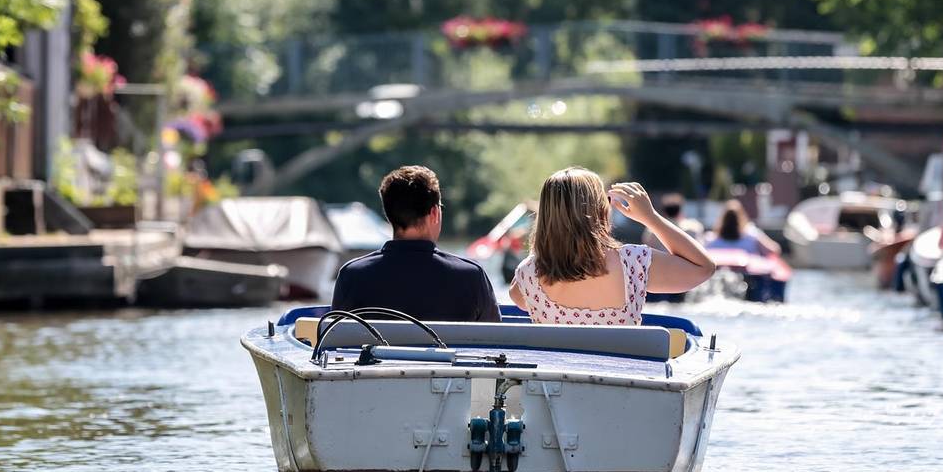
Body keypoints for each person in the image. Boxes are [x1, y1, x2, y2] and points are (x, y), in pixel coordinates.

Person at [509, 168, 715, 325]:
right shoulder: (633, 264)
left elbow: (518, 299)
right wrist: (651, 218)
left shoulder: (528, 274)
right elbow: (703, 268)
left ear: (545, 216)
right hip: (622, 379)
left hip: (553, 379)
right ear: (601, 210)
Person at [330, 165, 500, 322]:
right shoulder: (471, 276)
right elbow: (496, 342)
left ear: (389, 215)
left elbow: (334, 339)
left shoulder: (351, 275)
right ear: (434, 213)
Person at [705, 200, 782, 257]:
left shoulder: (710, 240)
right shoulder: (752, 235)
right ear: (741, 218)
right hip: (749, 277)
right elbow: (774, 250)